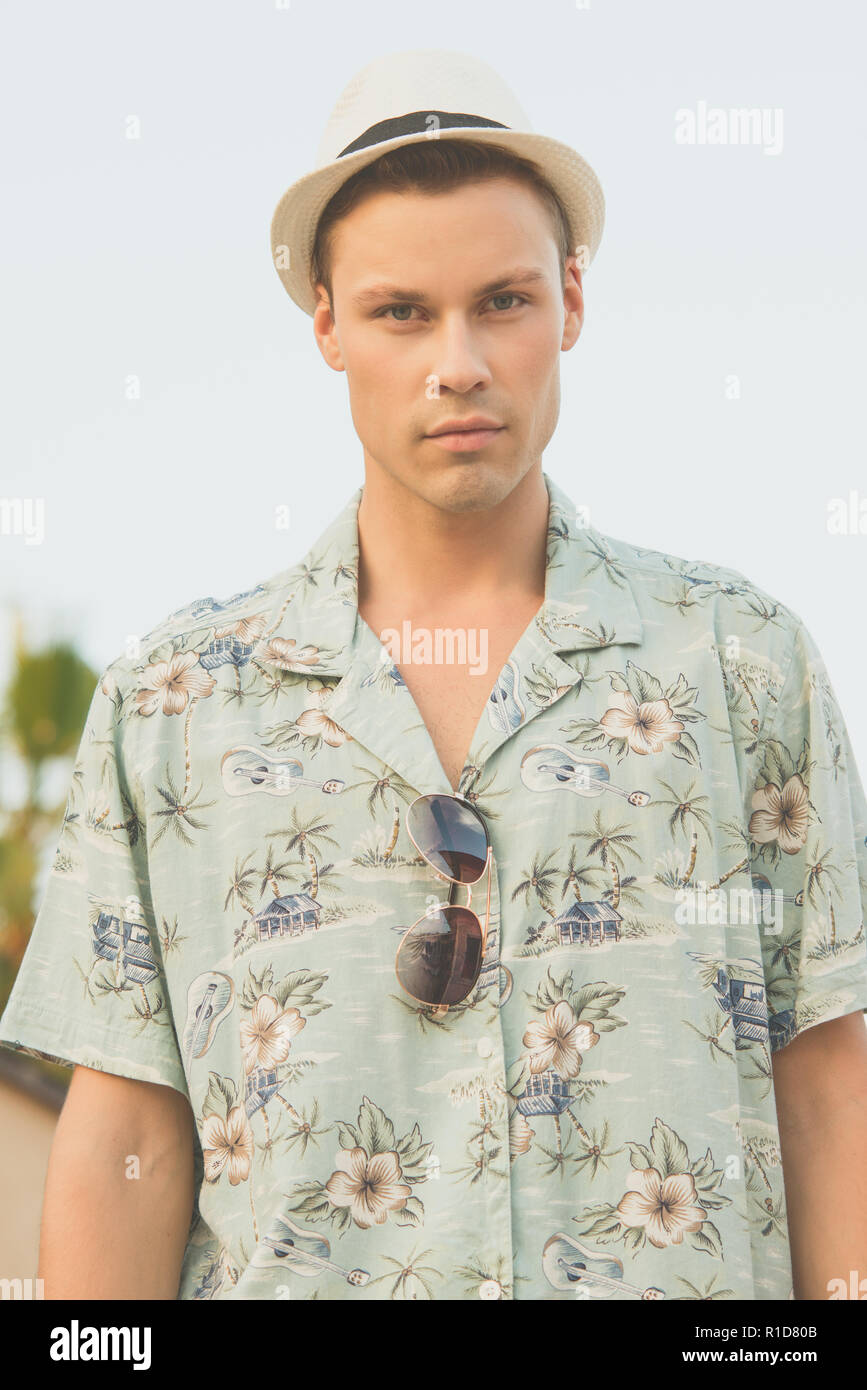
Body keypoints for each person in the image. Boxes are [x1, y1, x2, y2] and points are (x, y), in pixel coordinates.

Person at [2, 48, 866, 1303]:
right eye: (403, 311)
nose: (457, 361)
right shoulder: (171, 706)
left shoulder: (743, 664)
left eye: (502, 302)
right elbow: (127, 1135)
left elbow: (830, 1078)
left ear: (571, 301)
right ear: (329, 327)